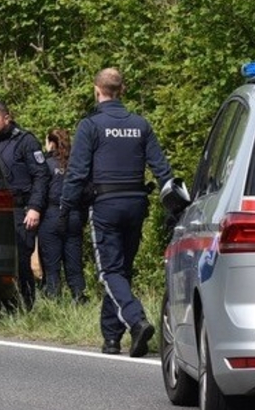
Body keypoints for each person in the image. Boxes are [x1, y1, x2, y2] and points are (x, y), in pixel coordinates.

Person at [61, 68, 173, 357]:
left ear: (96, 90)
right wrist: (175, 202)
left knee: (109, 271)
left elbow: (76, 172)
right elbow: (161, 168)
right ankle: (112, 338)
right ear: (122, 90)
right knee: (121, 271)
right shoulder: (140, 124)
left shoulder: (91, 125)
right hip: (136, 204)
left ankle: (136, 321)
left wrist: (66, 206)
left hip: (106, 204)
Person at [0, 99, 49, 308]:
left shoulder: (26, 141)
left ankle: (26, 306)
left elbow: (41, 176)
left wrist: (35, 208)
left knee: (21, 260)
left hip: (21, 209)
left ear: (7, 118)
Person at [37, 128, 85, 301]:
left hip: (51, 215)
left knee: (52, 266)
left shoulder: (46, 164)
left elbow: (40, 192)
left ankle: (53, 299)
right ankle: (79, 298)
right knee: (74, 264)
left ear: (51, 143)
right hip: (74, 215)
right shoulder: (76, 164)